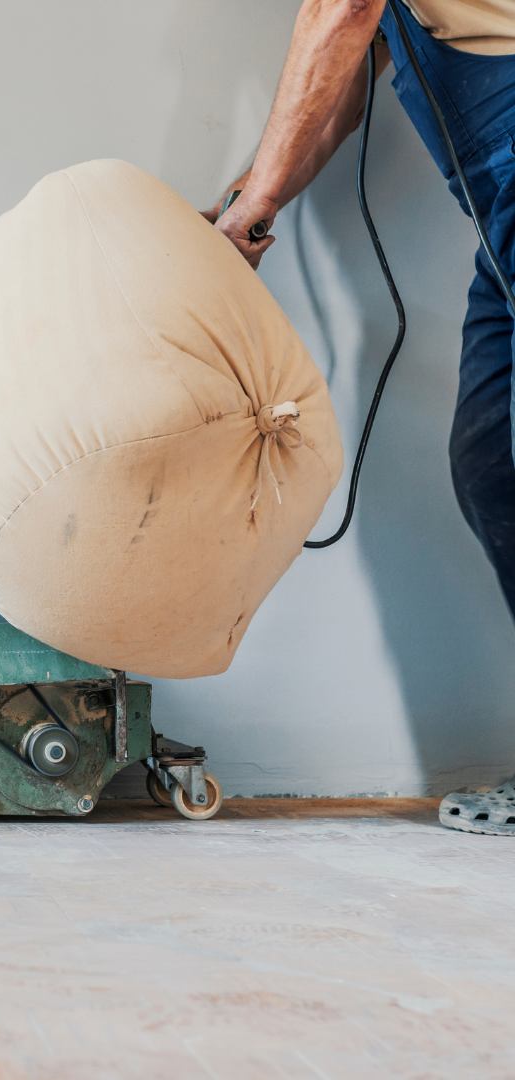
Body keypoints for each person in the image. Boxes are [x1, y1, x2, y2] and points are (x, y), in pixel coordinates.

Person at [211, 0, 515, 835]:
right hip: (498, 213)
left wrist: (254, 208)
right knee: (495, 464)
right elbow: (351, 75)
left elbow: (340, 13)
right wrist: (248, 201)